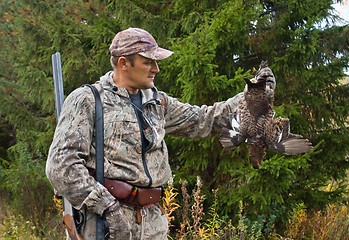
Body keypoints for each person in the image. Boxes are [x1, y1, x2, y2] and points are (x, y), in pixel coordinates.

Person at [46, 27, 275, 240]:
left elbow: (203, 119)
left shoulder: (158, 102)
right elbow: (61, 167)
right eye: (148, 62)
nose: (156, 69)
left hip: (153, 222)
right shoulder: (88, 100)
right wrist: (108, 207)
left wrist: (251, 96)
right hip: (107, 224)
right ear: (124, 63)